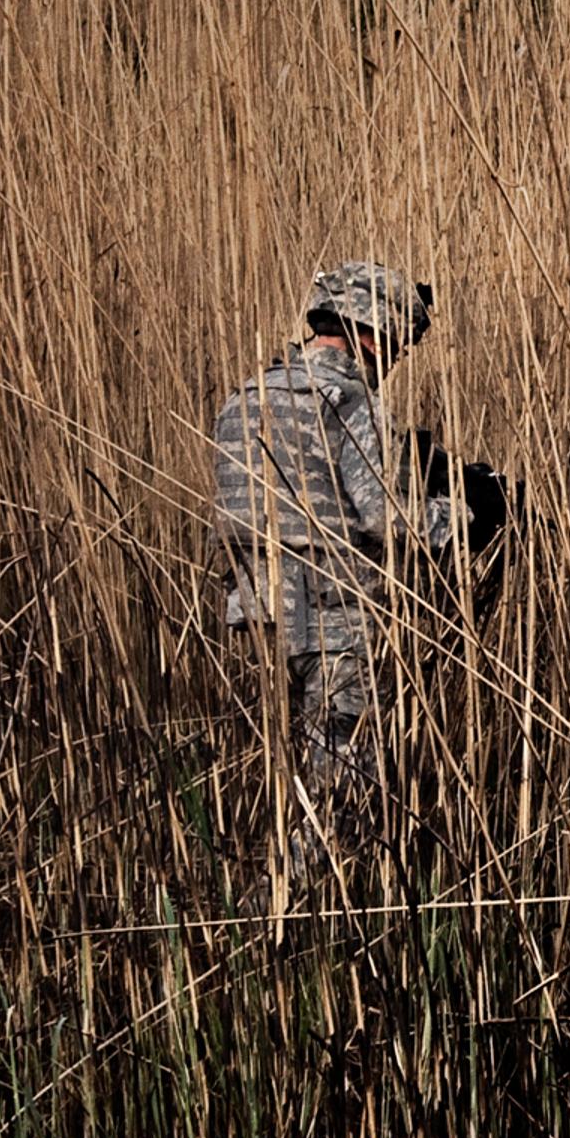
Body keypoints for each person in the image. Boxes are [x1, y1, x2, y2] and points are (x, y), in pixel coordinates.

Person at [211, 262, 469, 869]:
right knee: (342, 797)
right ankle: (278, 918)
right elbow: (388, 519)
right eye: (400, 342)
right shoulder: (351, 398)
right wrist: (461, 513)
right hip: (336, 623)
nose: (398, 357)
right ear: (372, 332)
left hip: (264, 619)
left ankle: (271, 903)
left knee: (297, 780)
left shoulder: (246, 396)